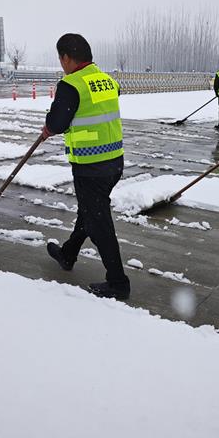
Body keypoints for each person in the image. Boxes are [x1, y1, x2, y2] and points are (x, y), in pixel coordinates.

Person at [41, 33, 131, 300]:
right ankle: (68, 254)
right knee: (91, 211)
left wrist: (49, 126)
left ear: (67, 58)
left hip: (90, 165)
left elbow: (58, 122)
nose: (61, 64)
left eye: (61, 59)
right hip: (114, 161)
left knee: (98, 222)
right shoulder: (105, 79)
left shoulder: (71, 85)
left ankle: (118, 283)